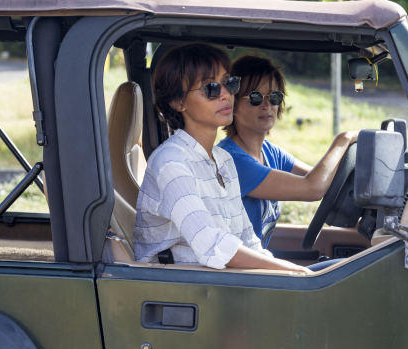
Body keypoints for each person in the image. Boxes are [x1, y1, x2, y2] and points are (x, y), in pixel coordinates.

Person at [132, 44, 310, 274]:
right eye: (211, 88)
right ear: (178, 102)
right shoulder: (171, 162)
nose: (226, 94)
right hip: (183, 288)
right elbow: (213, 244)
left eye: (229, 83)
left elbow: (247, 239)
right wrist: (295, 272)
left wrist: (284, 272)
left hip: (222, 281)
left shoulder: (223, 159)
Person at [218, 55, 357, 247]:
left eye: (274, 97)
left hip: (255, 259)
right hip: (239, 265)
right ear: (232, 105)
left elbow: (324, 180)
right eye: (255, 98)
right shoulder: (232, 161)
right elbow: (312, 188)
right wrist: (343, 140)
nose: (267, 105)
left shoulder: (269, 151)